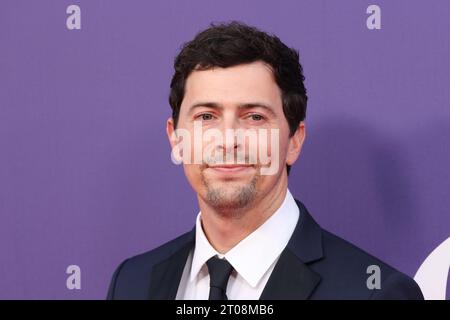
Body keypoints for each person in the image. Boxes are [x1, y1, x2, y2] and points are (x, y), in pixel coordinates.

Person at [107, 21, 423, 300]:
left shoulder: (374, 293)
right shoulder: (132, 282)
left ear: (294, 141)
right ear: (176, 138)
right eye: (206, 116)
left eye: (254, 117)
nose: (228, 140)